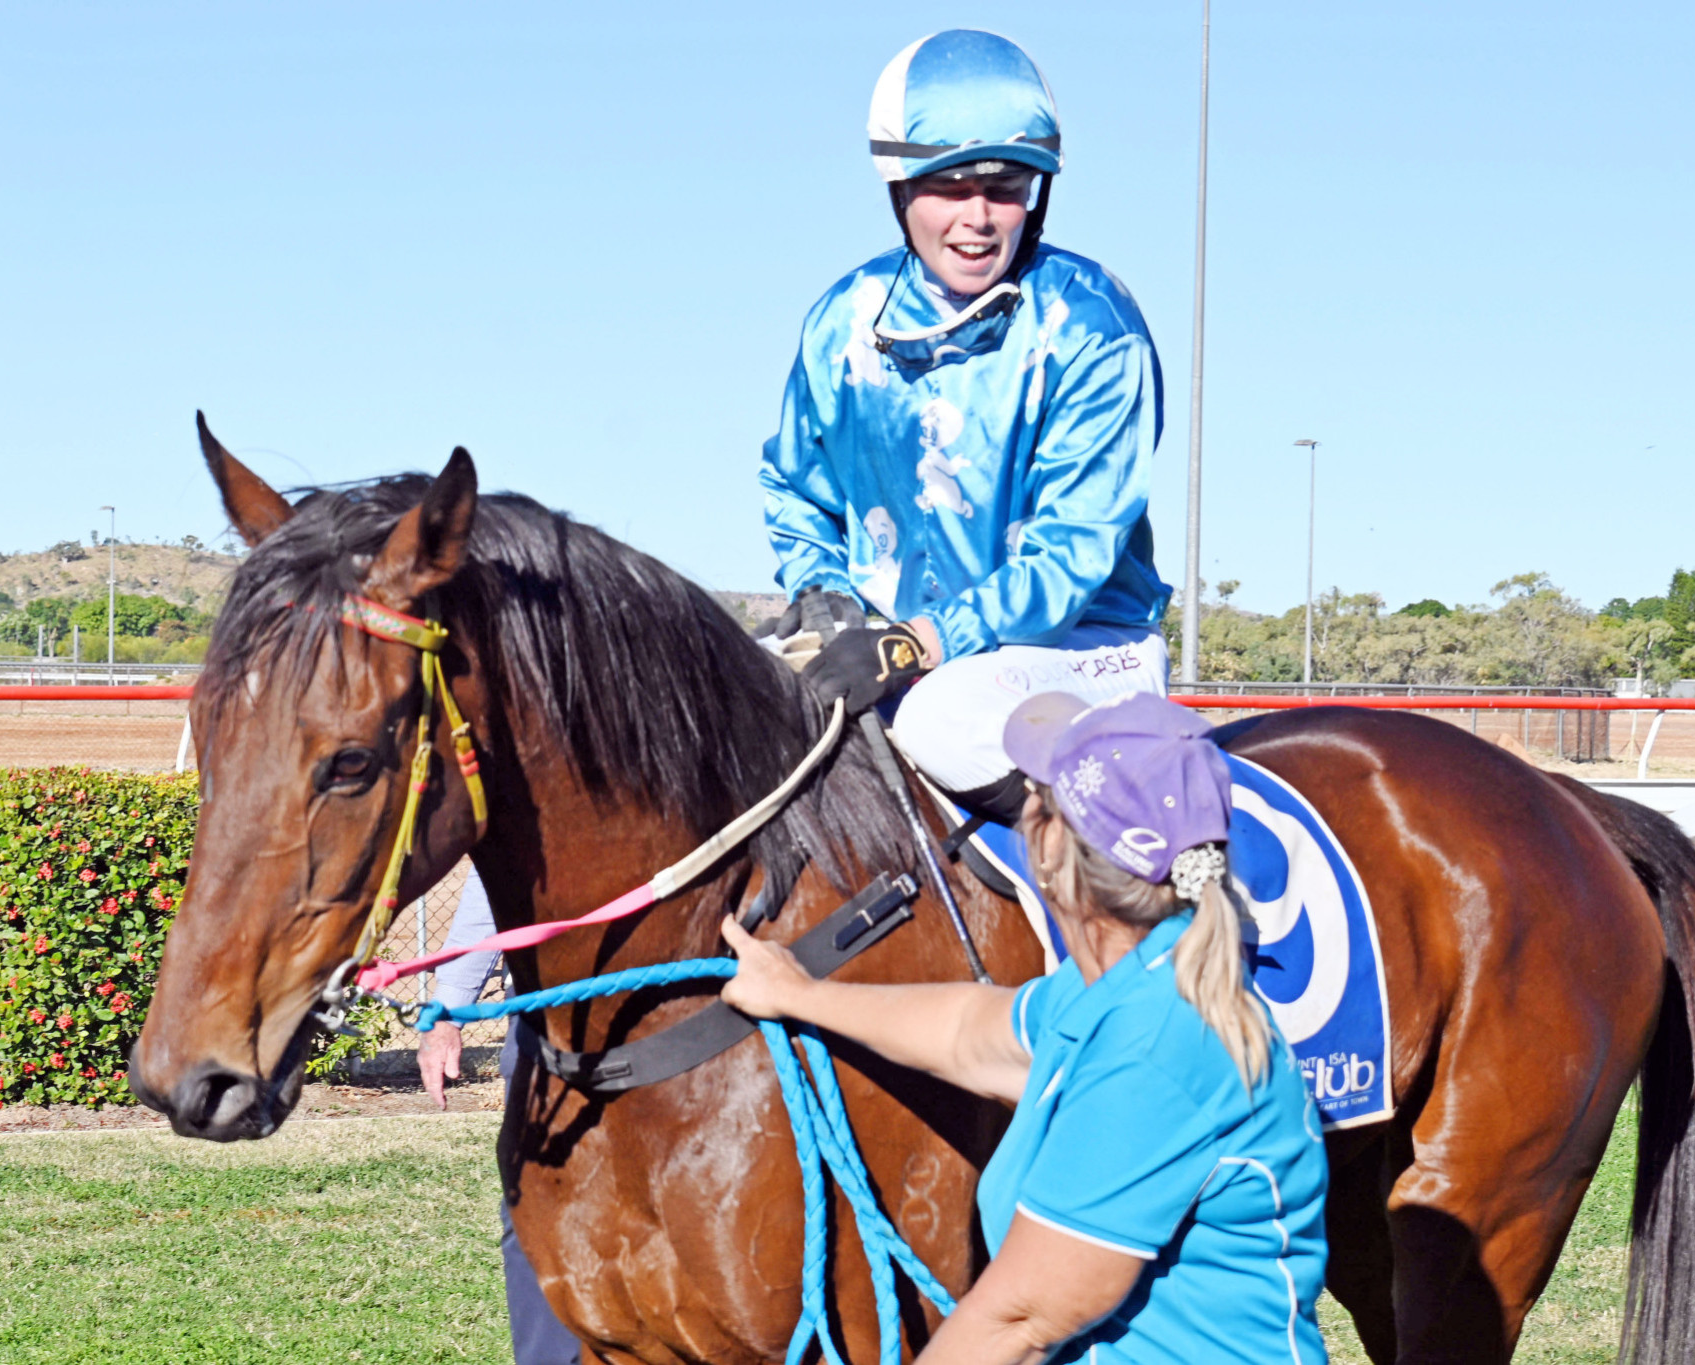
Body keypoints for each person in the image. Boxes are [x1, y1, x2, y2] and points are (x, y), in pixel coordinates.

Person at [722, 692, 1330, 1364]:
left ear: (1051, 849)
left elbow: (1018, 1320)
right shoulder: (1128, 982)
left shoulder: (1158, 1046)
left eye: (1029, 797)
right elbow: (969, 1032)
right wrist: (800, 994)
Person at [761, 29, 1173, 824]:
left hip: (1081, 646)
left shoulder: (1093, 327)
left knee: (940, 719)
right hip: (896, 644)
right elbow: (794, 488)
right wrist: (822, 592)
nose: (979, 218)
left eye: (1006, 186)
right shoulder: (840, 321)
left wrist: (920, 641)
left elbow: (1071, 555)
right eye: (949, 186)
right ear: (900, 189)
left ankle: (1140, 924)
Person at [418, 875, 581, 1365]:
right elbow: (491, 885)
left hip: (680, 1013)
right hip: (543, 1020)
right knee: (533, 1207)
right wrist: (445, 1013)